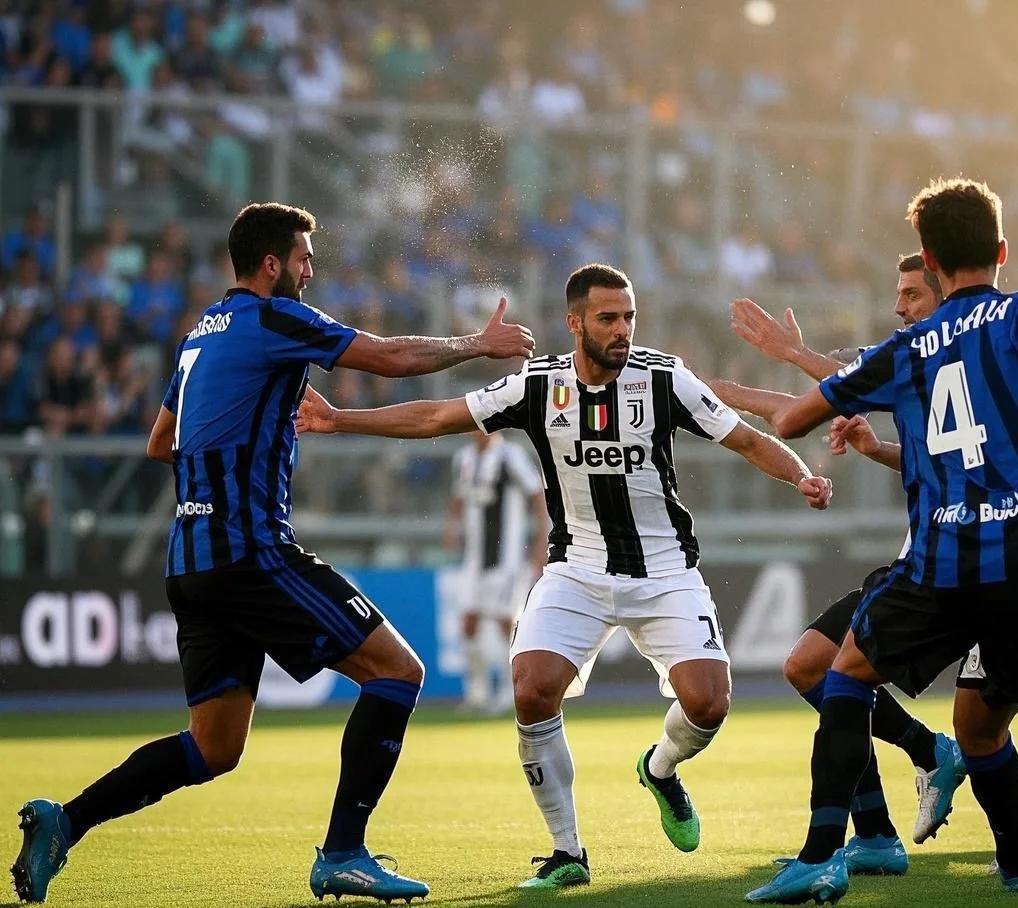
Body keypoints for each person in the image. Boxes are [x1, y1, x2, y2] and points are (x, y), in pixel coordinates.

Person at [10, 202, 535, 905]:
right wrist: (477, 343)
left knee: (214, 748)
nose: (310, 272)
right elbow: (386, 357)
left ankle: (64, 824)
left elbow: (161, 442)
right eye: (304, 260)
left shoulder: (200, 335)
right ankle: (344, 852)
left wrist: (247, 421)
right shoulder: (274, 320)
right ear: (271, 264)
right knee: (397, 672)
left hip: (190, 560)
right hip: (249, 550)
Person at [296, 262, 833, 889]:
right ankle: (567, 853)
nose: (623, 329)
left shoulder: (666, 380)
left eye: (629, 316)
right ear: (574, 322)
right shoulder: (536, 386)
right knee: (531, 686)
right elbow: (438, 417)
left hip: (665, 572)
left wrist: (801, 475)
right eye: (608, 318)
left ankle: (659, 769)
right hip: (575, 569)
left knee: (709, 703)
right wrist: (341, 421)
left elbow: (744, 440)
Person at [746, 178, 1018, 904]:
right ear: (1002, 250)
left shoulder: (908, 349)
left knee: (846, 673)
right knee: (983, 728)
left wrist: (815, 375)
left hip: (937, 568)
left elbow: (791, 422)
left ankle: (820, 853)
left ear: (929, 262)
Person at [708, 255, 966, 876]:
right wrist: (876, 447)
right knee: (812, 667)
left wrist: (787, 354)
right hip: (932, 557)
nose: (899, 308)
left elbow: (818, 393)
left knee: (979, 714)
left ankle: (940, 790)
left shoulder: (958, 354)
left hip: (965, 561)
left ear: (947, 293)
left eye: (910, 294)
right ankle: (882, 825)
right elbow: (932, 453)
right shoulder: (927, 363)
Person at [442, 430, 548, 712]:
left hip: (507, 558)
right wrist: (452, 525)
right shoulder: (463, 458)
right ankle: (476, 694)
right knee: (468, 622)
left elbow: (537, 496)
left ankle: (506, 691)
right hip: (475, 559)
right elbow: (459, 496)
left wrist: (542, 540)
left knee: (505, 623)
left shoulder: (510, 456)